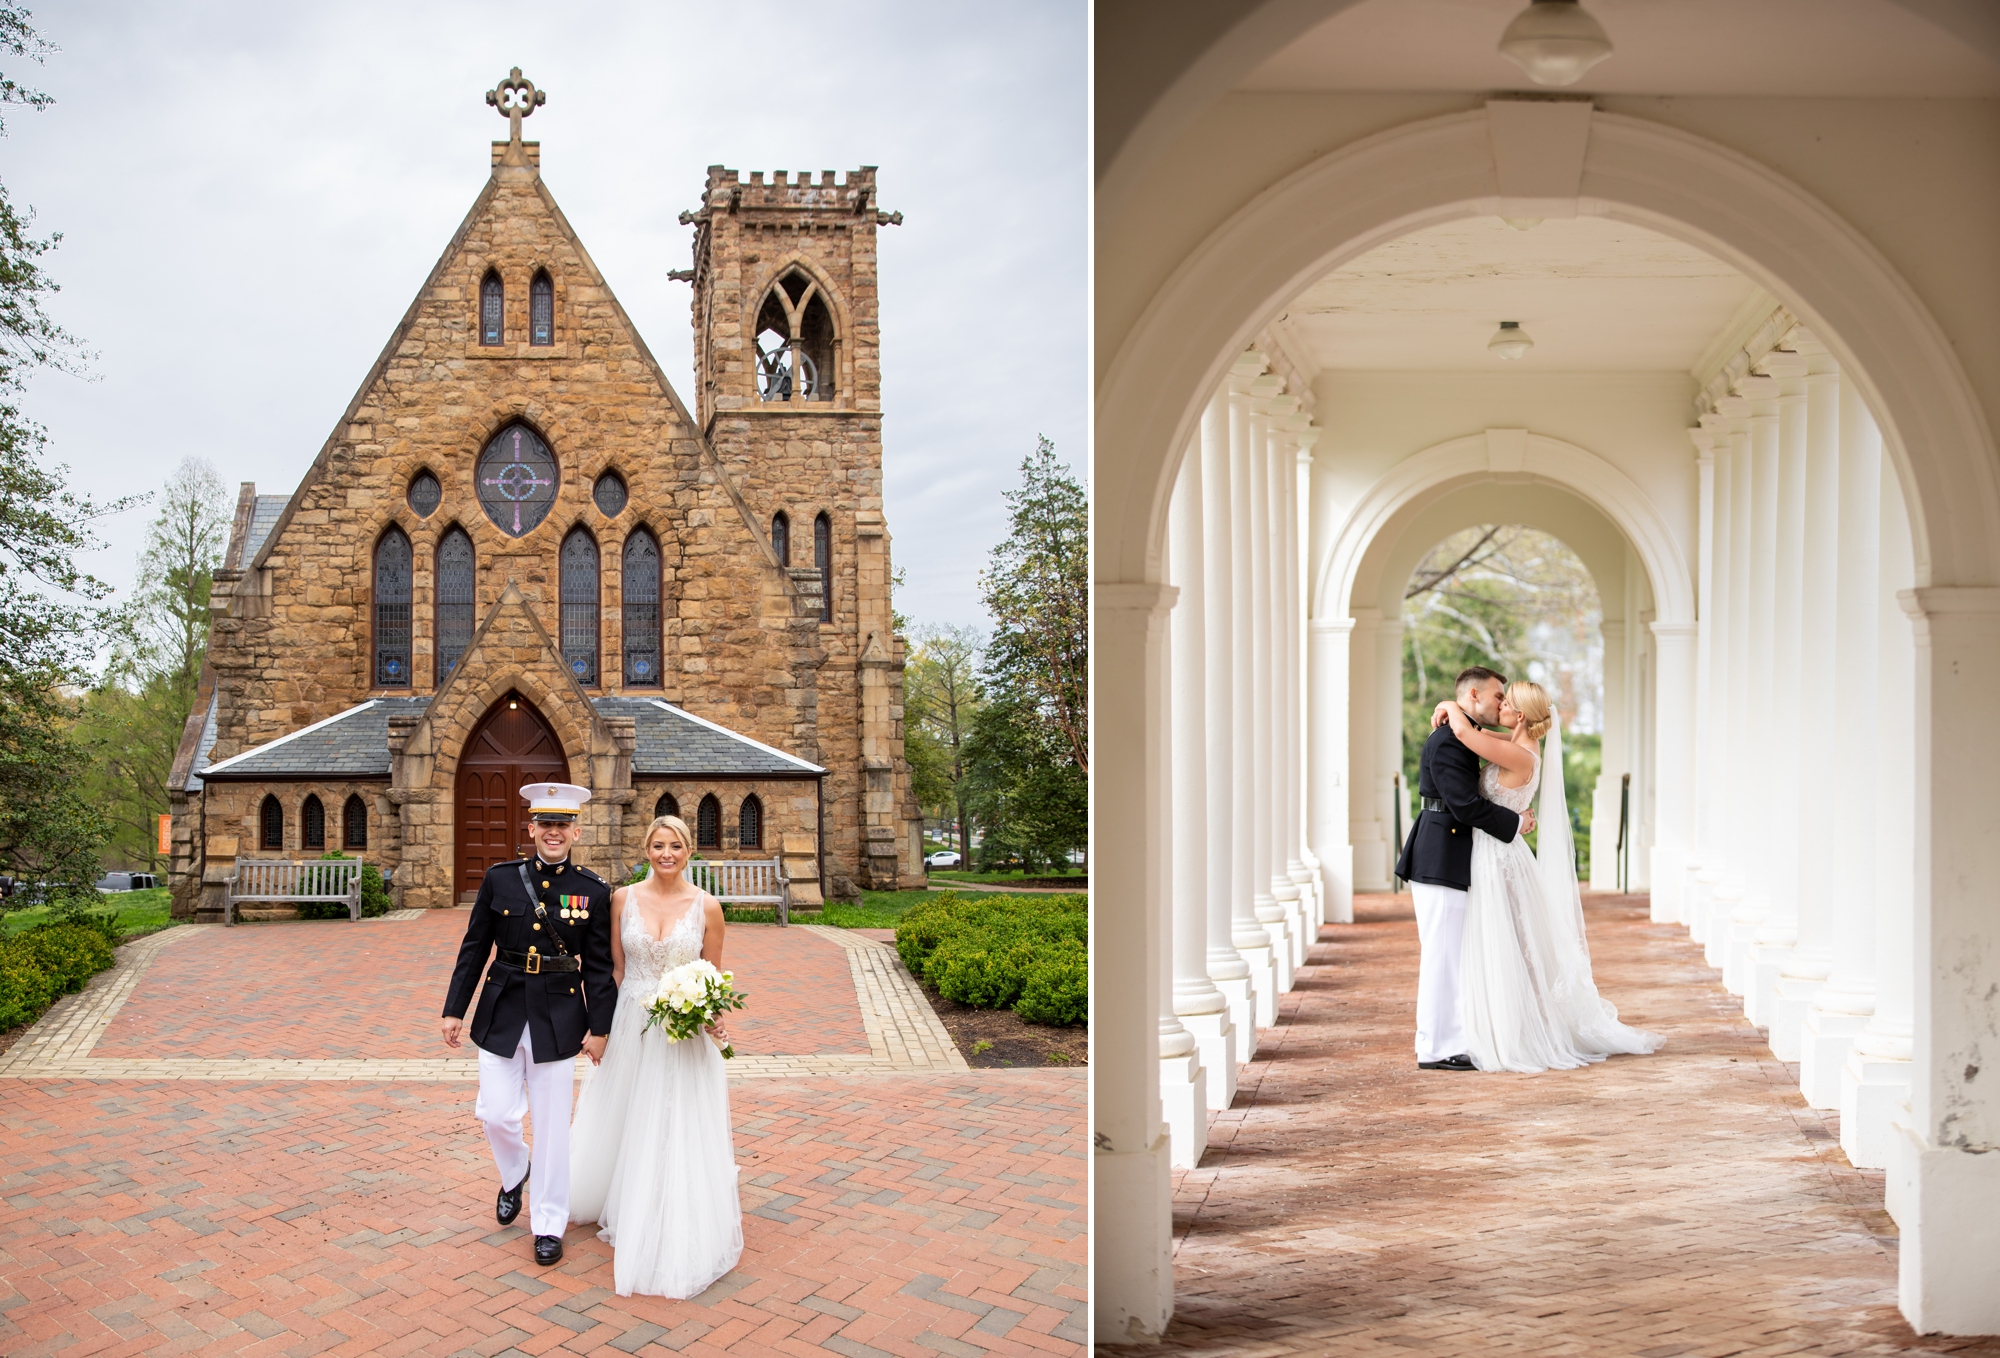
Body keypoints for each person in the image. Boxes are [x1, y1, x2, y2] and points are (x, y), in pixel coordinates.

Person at [1432, 679, 1664, 1072]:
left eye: (1505, 702)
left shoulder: (1520, 754)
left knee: (1511, 944)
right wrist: (1453, 707)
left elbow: (1463, 732)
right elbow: (1477, 731)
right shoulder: (1516, 745)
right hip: (1496, 850)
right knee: (1506, 942)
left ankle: (1520, 1032)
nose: (1499, 705)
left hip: (1498, 857)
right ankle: (1500, 1024)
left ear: (1519, 716)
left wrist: (1450, 706)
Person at [440, 782, 617, 1266]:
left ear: (575, 831)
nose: (553, 833)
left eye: (563, 825)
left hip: (560, 1015)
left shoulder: (593, 891)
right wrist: (455, 1007)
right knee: (495, 1114)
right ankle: (517, 1170)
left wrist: (599, 1028)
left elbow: (600, 968)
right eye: (546, 824)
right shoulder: (500, 880)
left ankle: (548, 1224)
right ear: (531, 828)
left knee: (554, 1128)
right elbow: (474, 948)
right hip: (501, 1008)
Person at [568, 814, 743, 1299]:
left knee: (674, 1113)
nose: (667, 854)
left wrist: (712, 1017)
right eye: (658, 845)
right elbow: (615, 971)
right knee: (628, 1110)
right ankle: (623, 1194)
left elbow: (712, 975)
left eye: (676, 846)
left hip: (681, 1029)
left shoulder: (707, 907)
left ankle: (670, 1203)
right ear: (647, 850)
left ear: (689, 851)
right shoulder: (622, 900)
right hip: (630, 1021)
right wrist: (599, 1028)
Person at [1395, 667, 1533, 1071]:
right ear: (1474, 694)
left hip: (1448, 853)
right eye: (1497, 696)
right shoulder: (1450, 742)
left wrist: (1451, 708)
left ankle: (1447, 1040)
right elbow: (1465, 806)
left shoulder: (1462, 733)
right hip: (1440, 855)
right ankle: (1435, 1047)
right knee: (1441, 956)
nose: (1501, 703)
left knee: (1448, 955)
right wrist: (1516, 823)